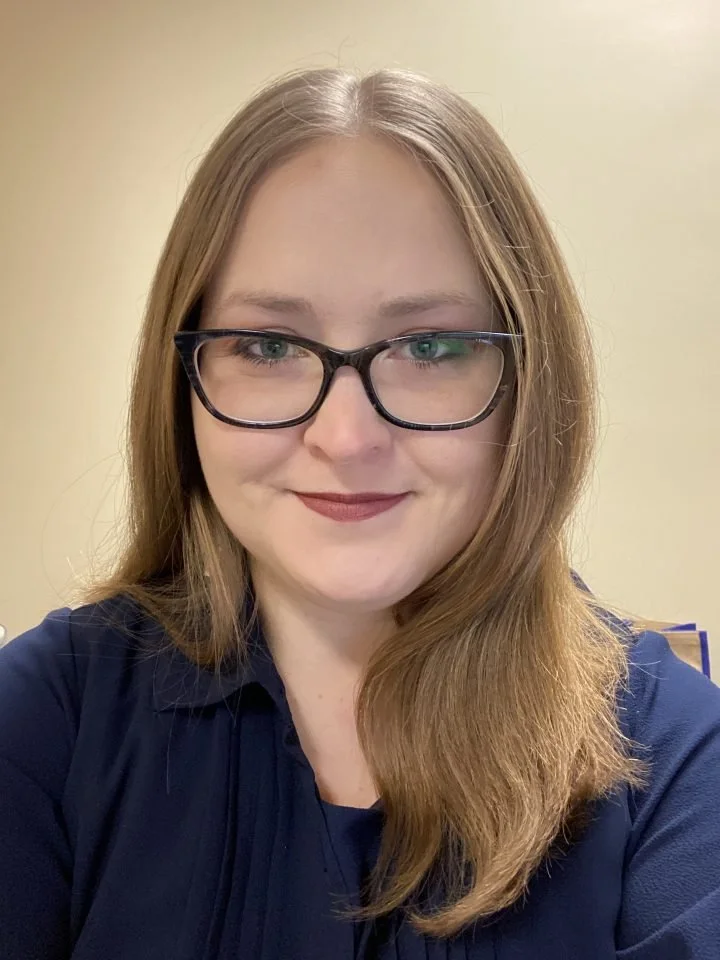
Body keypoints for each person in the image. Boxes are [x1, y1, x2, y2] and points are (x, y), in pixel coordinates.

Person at [1, 66, 718, 960]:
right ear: (181, 379)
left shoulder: (672, 749)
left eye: (431, 346)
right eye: (267, 346)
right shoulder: (45, 718)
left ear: (529, 384)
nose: (345, 436)